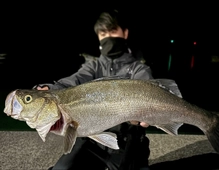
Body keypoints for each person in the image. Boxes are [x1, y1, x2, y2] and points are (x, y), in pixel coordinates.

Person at [35, 9, 153, 170]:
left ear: (125, 33)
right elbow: (73, 81)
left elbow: (150, 94)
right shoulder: (93, 66)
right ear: (98, 36)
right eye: (103, 33)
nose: (108, 37)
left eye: (113, 31)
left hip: (127, 139)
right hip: (91, 138)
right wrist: (49, 89)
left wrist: (148, 112)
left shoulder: (139, 69)